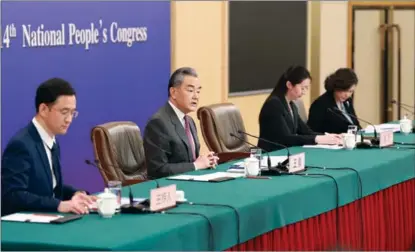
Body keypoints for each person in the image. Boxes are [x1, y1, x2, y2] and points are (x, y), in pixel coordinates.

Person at [1, 78, 96, 216]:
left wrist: (75, 194)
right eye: (64, 112)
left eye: (72, 113)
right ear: (44, 109)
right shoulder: (21, 145)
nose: (69, 119)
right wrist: (59, 205)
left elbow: (49, 188)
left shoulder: (51, 140)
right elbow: (14, 195)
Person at [144, 67, 219, 179]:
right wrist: (196, 165)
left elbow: (189, 160)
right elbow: (158, 170)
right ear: (173, 92)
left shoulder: (189, 121)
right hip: (170, 189)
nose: (196, 96)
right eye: (190, 90)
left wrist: (205, 161)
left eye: (198, 91)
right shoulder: (158, 123)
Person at [258, 66, 342, 152]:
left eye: (306, 88)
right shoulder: (274, 104)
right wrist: (317, 139)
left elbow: (306, 132)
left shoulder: (292, 105)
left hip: (286, 153)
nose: (304, 92)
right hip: (271, 155)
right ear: (289, 85)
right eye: (302, 88)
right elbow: (285, 138)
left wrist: (328, 136)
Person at [308, 68, 361, 134]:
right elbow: (312, 132)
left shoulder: (347, 101)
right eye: (344, 90)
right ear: (336, 86)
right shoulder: (320, 104)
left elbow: (356, 124)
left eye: (350, 91)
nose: (347, 95)